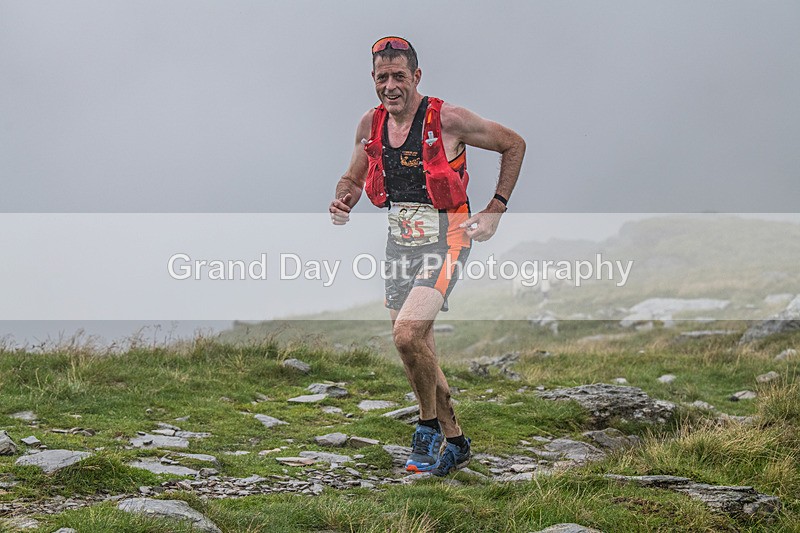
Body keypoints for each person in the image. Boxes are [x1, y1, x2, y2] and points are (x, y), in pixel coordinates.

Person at [329, 36, 525, 477]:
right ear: (373, 80)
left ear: (416, 77)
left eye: (400, 76)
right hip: (399, 243)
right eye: (383, 77)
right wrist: (343, 198)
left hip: (447, 238)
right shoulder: (370, 124)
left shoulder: (449, 119)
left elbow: (515, 144)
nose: (391, 85)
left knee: (406, 333)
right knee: (417, 347)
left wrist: (495, 209)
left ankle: (426, 426)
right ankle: (455, 442)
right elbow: (354, 178)